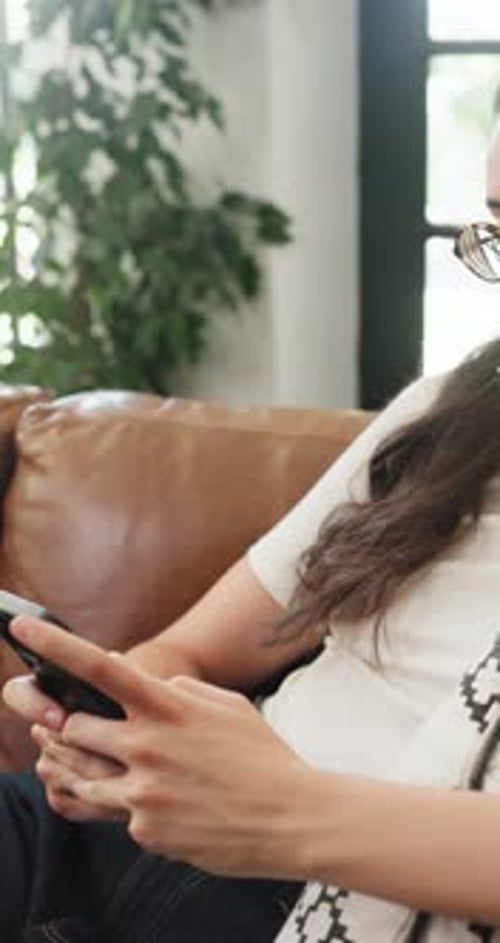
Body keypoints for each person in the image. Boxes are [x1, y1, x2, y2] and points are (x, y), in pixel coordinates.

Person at [2, 121, 500, 943]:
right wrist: (109, 728)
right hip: (128, 839)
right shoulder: (456, 411)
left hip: (293, 892)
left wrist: (275, 809)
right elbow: (187, 652)